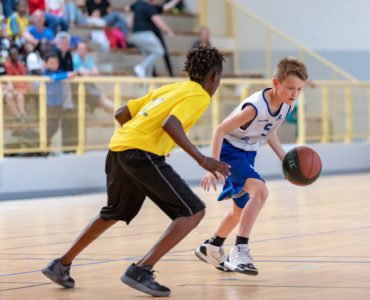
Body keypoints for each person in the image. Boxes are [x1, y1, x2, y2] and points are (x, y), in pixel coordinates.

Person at [41, 46, 230, 297]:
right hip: (140, 154)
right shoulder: (200, 95)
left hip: (118, 149)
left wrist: (147, 138)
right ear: (214, 76)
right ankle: (141, 270)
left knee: (114, 212)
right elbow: (170, 123)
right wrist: (203, 160)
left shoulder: (171, 88)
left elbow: (122, 113)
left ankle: (60, 265)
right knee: (193, 211)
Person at [195, 57, 308, 275]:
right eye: (290, 88)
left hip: (248, 153)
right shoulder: (254, 108)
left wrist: (285, 159)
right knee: (261, 191)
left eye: (299, 89)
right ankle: (240, 250)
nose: (294, 94)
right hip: (230, 151)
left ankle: (212, 246)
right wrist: (213, 165)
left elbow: (270, 131)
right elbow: (220, 130)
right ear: (276, 83)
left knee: (240, 210)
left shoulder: (287, 104)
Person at [128, 0, 170, 78]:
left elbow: (130, 22)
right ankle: (141, 67)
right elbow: (157, 20)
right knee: (159, 51)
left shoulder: (136, 5)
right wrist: (168, 30)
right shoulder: (149, 7)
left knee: (148, 57)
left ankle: (146, 82)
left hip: (135, 35)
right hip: (145, 34)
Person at [43, 52, 77, 144]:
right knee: (51, 126)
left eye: (56, 63)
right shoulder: (47, 73)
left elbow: (63, 74)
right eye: (51, 63)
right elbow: (54, 77)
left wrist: (70, 74)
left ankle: (46, 145)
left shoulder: (59, 72)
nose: (54, 65)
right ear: (46, 64)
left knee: (55, 126)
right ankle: (43, 143)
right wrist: (67, 75)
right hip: (49, 104)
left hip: (58, 104)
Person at [72, 41, 114, 113]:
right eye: (81, 49)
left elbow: (97, 73)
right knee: (103, 101)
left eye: (85, 49)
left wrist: (86, 73)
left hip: (88, 85)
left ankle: (115, 111)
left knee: (103, 99)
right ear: (76, 50)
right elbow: (83, 73)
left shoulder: (87, 60)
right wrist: (90, 73)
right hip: (79, 87)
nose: (83, 51)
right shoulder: (75, 59)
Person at [4, 45, 30, 122]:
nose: (14, 55)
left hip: (20, 89)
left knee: (20, 95)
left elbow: (25, 80)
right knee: (9, 96)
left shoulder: (21, 65)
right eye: (12, 53)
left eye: (16, 53)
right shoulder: (6, 65)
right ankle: (17, 116)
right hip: (8, 88)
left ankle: (22, 115)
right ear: (9, 55)